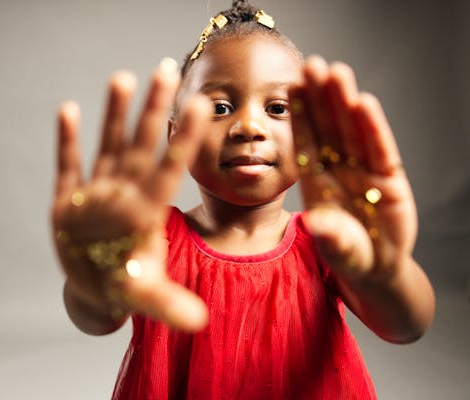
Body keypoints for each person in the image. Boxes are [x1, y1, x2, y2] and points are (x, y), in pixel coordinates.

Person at [51, 1, 435, 398]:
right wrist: (95, 280)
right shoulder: (154, 238)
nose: (249, 126)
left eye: (277, 108)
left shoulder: (330, 242)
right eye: (220, 107)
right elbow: (94, 319)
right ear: (175, 135)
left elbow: (406, 326)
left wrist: (385, 273)